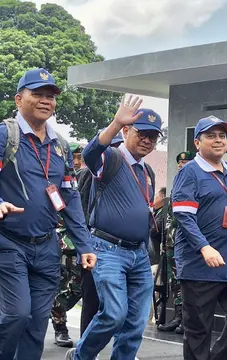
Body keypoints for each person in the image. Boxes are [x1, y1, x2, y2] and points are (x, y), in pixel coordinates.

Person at [0, 68, 96, 360]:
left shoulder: (61, 145)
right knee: (17, 313)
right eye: (37, 94)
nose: (45, 100)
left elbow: (69, 197)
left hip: (45, 246)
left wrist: (84, 244)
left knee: (38, 323)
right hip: (5, 240)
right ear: (18, 99)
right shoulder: (3, 134)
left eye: (50, 96)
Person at [67, 97, 159, 360]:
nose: (147, 141)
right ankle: (80, 357)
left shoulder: (148, 171)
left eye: (153, 137)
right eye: (142, 133)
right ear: (127, 131)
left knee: (135, 323)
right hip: (107, 249)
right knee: (114, 314)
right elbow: (89, 154)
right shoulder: (113, 157)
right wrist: (116, 122)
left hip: (138, 254)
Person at [171, 115, 227, 360]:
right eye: (211, 136)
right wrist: (204, 248)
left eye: (222, 136)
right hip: (200, 266)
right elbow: (183, 216)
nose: (218, 140)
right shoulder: (189, 172)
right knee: (198, 331)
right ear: (197, 143)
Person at [78, 131, 123, 336]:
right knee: (92, 300)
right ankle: (85, 351)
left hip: (122, 248)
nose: (115, 151)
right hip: (95, 244)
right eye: (111, 146)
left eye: (118, 146)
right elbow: (81, 208)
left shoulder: (129, 170)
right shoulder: (91, 172)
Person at [50, 142, 84, 348]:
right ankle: (60, 328)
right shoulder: (58, 180)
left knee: (77, 289)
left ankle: (52, 310)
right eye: (74, 158)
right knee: (61, 286)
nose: (78, 162)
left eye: (80, 157)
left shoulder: (87, 179)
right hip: (62, 242)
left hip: (81, 243)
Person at [157, 152, 194, 334]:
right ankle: (178, 316)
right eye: (180, 163)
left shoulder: (194, 182)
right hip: (172, 242)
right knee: (174, 282)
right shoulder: (177, 184)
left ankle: (187, 319)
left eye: (186, 162)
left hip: (187, 242)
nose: (181, 165)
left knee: (185, 281)